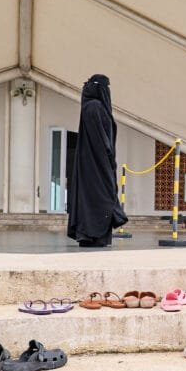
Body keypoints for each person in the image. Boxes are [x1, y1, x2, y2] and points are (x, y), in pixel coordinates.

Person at [67, 74, 127, 247]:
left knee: (96, 198)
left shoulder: (91, 107)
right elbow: (101, 139)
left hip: (94, 164)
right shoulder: (95, 107)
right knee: (102, 197)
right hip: (98, 164)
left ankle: (93, 236)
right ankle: (94, 234)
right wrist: (109, 159)